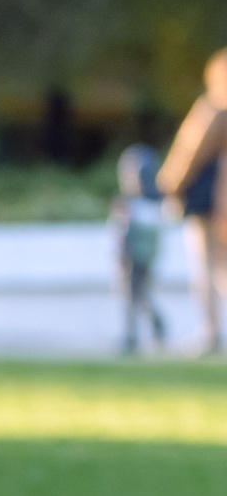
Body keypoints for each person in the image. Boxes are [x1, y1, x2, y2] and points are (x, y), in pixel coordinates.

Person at [156, 47, 227, 355]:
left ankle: (210, 334)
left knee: (208, 266)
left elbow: (189, 153)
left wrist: (170, 188)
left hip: (210, 201)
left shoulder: (212, 110)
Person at [114, 143, 169, 355]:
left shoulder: (148, 206)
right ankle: (137, 332)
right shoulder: (127, 203)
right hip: (129, 258)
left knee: (135, 296)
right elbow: (119, 233)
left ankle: (133, 336)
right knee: (134, 296)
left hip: (141, 259)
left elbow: (149, 238)